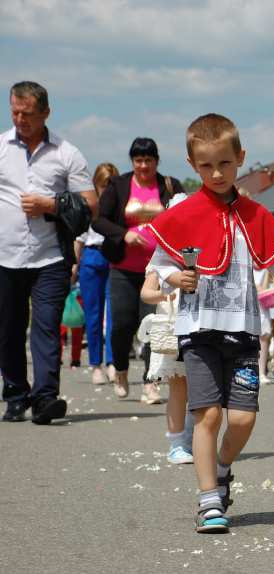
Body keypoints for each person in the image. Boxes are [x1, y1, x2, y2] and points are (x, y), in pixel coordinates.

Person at [147, 113, 274, 534]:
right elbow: (155, 273)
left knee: (244, 420)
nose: (217, 174)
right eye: (207, 166)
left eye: (225, 164)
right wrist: (173, 277)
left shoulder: (254, 214)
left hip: (244, 334)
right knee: (207, 416)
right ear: (193, 165)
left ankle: (221, 468)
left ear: (240, 159)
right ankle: (208, 499)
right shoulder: (184, 213)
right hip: (198, 332)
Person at [1, 81, 98, 424]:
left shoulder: (66, 153)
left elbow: (90, 205)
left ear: (45, 113)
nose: (19, 118)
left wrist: (51, 204)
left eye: (27, 113)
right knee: (9, 328)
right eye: (14, 111)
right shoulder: (1, 147)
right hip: (5, 257)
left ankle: (44, 399)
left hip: (51, 258)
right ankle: (15, 395)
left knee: (45, 327)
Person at [92, 137, 182, 404]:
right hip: (122, 267)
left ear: (157, 161)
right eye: (138, 160)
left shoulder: (170, 185)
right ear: (132, 161)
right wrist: (124, 235)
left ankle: (150, 382)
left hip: (158, 271)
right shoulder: (118, 186)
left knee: (154, 326)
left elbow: (182, 217)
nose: (143, 165)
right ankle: (120, 369)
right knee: (122, 323)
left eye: (149, 160)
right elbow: (99, 221)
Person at [140, 269, 194, 464]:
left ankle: (193, 438)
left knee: (201, 388)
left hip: (202, 326)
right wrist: (165, 295)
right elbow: (146, 293)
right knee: (178, 386)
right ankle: (178, 443)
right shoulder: (164, 254)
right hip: (172, 328)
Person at [74, 162, 118, 385]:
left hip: (113, 258)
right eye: (103, 184)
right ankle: (95, 364)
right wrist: (74, 264)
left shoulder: (118, 205)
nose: (106, 188)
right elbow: (79, 238)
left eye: (110, 184)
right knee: (92, 315)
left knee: (113, 315)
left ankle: (112, 362)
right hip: (91, 258)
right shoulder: (88, 206)